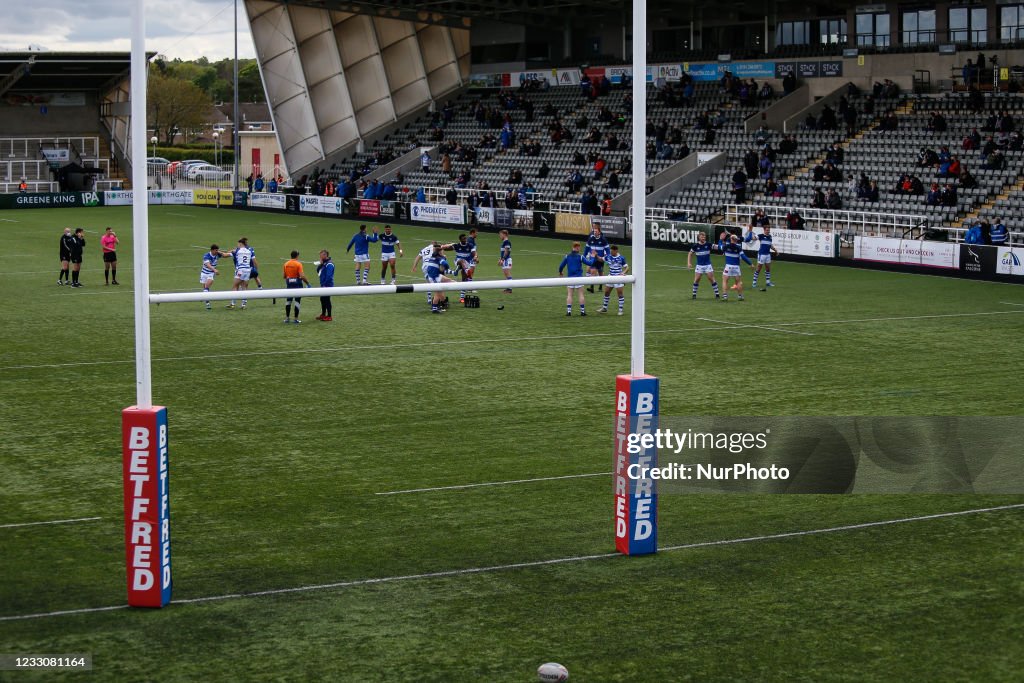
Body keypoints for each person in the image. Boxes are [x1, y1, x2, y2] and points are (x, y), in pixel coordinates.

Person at [558, 242, 593, 316]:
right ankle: (582, 312)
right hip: (579, 278)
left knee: (569, 295)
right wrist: (593, 257)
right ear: (578, 248)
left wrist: (561, 272)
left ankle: (569, 311)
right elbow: (590, 263)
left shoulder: (567, 256)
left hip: (570, 278)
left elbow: (561, 266)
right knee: (581, 295)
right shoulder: (580, 257)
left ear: (572, 247)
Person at [718, 232, 752, 301]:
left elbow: (720, 246)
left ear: (730, 239)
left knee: (725, 281)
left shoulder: (726, 247)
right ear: (736, 240)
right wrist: (750, 264)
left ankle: (725, 296)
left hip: (728, 266)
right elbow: (743, 257)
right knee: (738, 281)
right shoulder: (738, 248)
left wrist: (720, 239)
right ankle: (740, 296)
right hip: (736, 267)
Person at [745, 224, 779, 291]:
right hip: (761, 254)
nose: (768, 231)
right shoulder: (760, 236)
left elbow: (770, 245)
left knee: (768, 268)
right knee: (758, 268)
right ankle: (754, 282)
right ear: (764, 230)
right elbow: (753, 238)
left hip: (768, 255)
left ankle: (768, 282)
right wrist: (750, 231)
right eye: (767, 230)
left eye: (769, 230)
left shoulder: (770, 236)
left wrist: (775, 250)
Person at [687, 232, 720, 300]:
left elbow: (717, 247)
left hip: (708, 265)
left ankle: (717, 294)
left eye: (704, 237)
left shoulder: (708, 244)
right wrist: (689, 263)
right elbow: (690, 253)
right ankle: (694, 295)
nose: (703, 238)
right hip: (699, 266)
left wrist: (722, 244)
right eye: (702, 237)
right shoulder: (695, 246)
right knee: (697, 279)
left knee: (711, 279)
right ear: (699, 237)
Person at [424, 244, 454, 314]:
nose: (443, 252)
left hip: (436, 275)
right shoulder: (439, 258)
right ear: (439, 252)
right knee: (438, 293)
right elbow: (445, 264)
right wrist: (445, 261)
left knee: (449, 280)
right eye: (442, 251)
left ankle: (462, 286)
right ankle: (434, 308)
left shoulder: (433, 256)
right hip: (434, 277)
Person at [282, 250, 311, 323]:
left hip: (289, 283)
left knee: (288, 300)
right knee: (297, 301)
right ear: (297, 256)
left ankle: (287, 318)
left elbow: (284, 276)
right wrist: (307, 283)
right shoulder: (298, 264)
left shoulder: (286, 264)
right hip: (297, 283)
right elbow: (302, 275)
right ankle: (295, 318)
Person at [227, 237, 255, 309]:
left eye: (238, 244)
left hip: (240, 271)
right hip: (247, 271)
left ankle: (233, 303)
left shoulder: (237, 251)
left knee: (235, 286)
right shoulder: (249, 251)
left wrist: (220, 252)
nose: (237, 245)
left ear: (240, 243)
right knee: (244, 287)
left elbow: (226, 254)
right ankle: (244, 304)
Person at [600, 244, 629, 315]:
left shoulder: (621, 258)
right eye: (610, 251)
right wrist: (595, 256)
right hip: (610, 276)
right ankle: (604, 308)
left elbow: (627, 267)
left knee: (620, 294)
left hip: (618, 278)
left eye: (612, 251)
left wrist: (623, 273)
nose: (611, 252)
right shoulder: (608, 256)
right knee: (606, 292)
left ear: (616, 251)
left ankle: (620, 310)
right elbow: (601, 259)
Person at [199, 243, 228, 310]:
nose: (217, 252)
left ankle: (203, 298)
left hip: (211, 274)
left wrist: (232, 252)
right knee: (205, 289)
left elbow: (225, 255)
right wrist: (214, 269)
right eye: (216, 250)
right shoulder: (206, 256)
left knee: (207, 287)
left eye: (217, 250)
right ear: (212, 250)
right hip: (204, 273)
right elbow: (207, 264)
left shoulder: (217, 254)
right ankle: (207, 303)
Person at [451, 233, 478, 303]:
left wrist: (475, 257)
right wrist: (443, 247)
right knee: (462, 261)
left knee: (464, 280)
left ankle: (462, 297)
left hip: (467, 263)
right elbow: (448, 248)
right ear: (460, 240)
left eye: (465, 238)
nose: (465, 240)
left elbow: (474, 252)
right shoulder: (457, 245)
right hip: (458, 261)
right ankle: (465, 270)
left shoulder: (470, 245)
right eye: (463, 239)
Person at [584, 225, 610, 291]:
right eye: (594, 231)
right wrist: (584, 256)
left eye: (596, 231)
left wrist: (607, 257)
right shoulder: (591, 239)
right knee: (593, 272)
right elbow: (586, 248)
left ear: (599, 232)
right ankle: (591, 287)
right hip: (593, 259)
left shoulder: (603, 239)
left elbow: (607, 249)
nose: (595, 232)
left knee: (600, 272)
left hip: (600, 259)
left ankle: (600, 286)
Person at [315, 250, 335, 321]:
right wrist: (321, 264)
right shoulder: (324, 263)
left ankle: (329, 316)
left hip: (327, 285)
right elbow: (317, 270)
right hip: (323, 284)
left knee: (327, 300)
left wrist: (324, 285)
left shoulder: (329, 264)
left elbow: (329, 276)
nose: (320, 257)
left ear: (325, 255)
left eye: (321, 255)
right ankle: (323, 314)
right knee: (322, 299)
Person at [498, 229, 513, 293]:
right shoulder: (505, 242)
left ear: (504, 235)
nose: (500, 236)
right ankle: (508, 288)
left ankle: (509, 289)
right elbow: (504, 252)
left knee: (507, 274)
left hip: (506, 260)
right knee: (506, 274)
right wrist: (501, 259)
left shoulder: (507, 242)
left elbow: (507, 252)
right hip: (505, 260)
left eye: (500, 235)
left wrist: (503, 259)